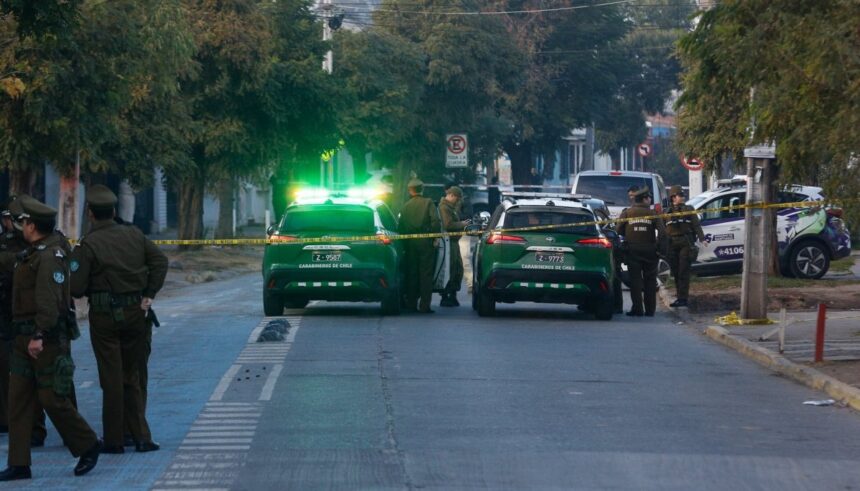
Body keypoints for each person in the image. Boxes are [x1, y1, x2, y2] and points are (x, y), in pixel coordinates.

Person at [0, 196, 101, 481]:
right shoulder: (32, 252)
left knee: (51, 398)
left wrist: (39, 335)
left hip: (41, 339)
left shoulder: (49, 256)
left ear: (32, 225)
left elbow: (48, 301)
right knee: (18, 400)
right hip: (21, 337)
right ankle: (19, 463)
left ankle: (88, 444)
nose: (20, 227)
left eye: (23, 223)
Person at [70, 185, 168, 454]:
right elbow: (160, 261)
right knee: (133, 375)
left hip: (104, 318)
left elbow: (76, 288)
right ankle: (142, 437)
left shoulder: (88, 244)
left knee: (111, 378)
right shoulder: (134, 234)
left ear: (90, 213)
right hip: (137, 313)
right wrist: (148, 294)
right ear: (113, 211)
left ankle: (114, 441)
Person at [617, 186, 666, 317]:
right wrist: (660, 249)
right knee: (650, 281)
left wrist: (628, 234)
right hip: (650, 251)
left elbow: (618, 230)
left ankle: (637, 309)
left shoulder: (627, 213)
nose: (650, 200)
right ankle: (650, 310)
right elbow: (662, 233)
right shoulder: (653, 214)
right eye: (649, 197)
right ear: (644, 199)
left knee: (635, 281)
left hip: (633, 251)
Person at [398, 178, 440, 313]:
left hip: (410, 243)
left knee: (412, 273)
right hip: (426, 242)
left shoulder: (405, 206)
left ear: (410, 191)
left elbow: (401, 226)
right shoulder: (428, 203)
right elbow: (435, 222)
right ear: (422, 189)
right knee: (425, 274)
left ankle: (411, 303)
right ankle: (424, 305)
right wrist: (435, 237)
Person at [665, 185, 707, 308]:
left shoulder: (689, 209)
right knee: (676, 272)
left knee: (683, 271)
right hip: (672, 244)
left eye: (683, 195)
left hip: (686, 243)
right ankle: (679, 297)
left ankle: (683, 298)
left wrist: (702, 238)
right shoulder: (667, 212)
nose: (683, 198)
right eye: (680, 195)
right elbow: (663, 229)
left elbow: (696, 226)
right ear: (673, 197)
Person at [438, 186, 470, 307]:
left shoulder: (450, 207)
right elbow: (448, 225)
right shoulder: (444, 208)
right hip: (449, 243)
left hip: (453, 243)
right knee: (451, 269)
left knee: (457, 269)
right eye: (456, 199)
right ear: (451, 195)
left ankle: (452, 294)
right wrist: (461, 224)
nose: (458, 201)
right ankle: (446, 295)